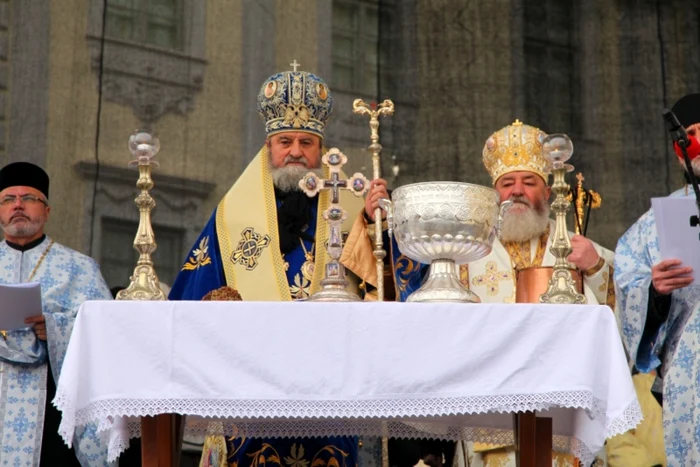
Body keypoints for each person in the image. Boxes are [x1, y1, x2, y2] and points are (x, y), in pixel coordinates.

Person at [170, 67, 390, 467]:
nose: (295, 151)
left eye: (306, 142)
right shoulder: (232, 218)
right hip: (250, 391)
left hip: (333, 390)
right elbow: (194, 299)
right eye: (284, 141)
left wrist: (379, 227)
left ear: (321, 151)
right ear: (268, 147)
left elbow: (381, 289)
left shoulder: (352, 206)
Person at [392, 120, 617, 466]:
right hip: (487, 411)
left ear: (547, 191)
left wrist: (598, 266)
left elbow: (624, 307)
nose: (517, 191)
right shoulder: (467, 252)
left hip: (560, 410)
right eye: (507, 183)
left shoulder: (573, 246)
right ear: (493, 193)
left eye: (529, 182)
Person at [0, 162, 113, 466]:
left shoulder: (80, 268)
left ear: (47, 210)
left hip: (53, 411)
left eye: (29, 198)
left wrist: (56, 329)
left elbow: (107, 335)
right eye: (8, 199)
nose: (18, 205)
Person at [615, 93, 700, 466]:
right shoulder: (653, 226)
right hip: (690, 378)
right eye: (692, 133)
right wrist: (656, 293)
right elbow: (628, 282)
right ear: (679, 149)